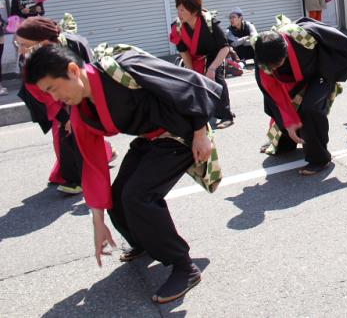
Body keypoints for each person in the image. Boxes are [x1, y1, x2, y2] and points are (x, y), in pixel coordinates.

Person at [24, 44, 223, 304]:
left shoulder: (123, 67)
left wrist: (200, 134)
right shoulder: (81, 110)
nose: (54, 98)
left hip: (179, 134)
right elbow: (94, 166)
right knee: (116, 196)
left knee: (138, 196)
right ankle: (144, 242)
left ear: (73, 70)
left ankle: (184, 266)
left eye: (52, 89)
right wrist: (98, 223)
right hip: (150, 139)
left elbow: (189, 83)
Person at [254, 15, 347, 174]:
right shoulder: (262, 60)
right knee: (283, 112)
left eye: (279, 63)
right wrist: (290, 122)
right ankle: (284, 143)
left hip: (320, 70)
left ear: (285, 49)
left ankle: (319, 159)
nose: (274, 68)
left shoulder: (302, 34)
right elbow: (276, 97)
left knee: (309, 109)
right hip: (294, 80)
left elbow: (338, 38)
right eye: (272, 66)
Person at [15, 16, 115, 194]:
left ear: (44, 41)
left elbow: (88, 74)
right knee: (62, 133)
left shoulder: (73, 45)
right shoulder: (29, 60)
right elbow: (41, 94)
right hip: (51, 102)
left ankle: (85, 179)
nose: (21, 50)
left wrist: (79, 108)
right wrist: (63, 116)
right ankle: (76, 176)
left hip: (79, 94)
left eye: (25, 45)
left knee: (83, 130)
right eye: (18, 44)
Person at [169, 0, 234, 129]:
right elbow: (183, 50)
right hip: (194, 57)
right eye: (178, 9)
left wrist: (212, 68)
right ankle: (205, 111)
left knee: (216, 78)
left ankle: (226, 115)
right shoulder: (177, 26)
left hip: (215, 55)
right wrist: (191, 70)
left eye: (183, 10)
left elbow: (225, 48)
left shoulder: (209, 22)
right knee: (194, 82)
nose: (179, 13)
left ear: (194, 11)